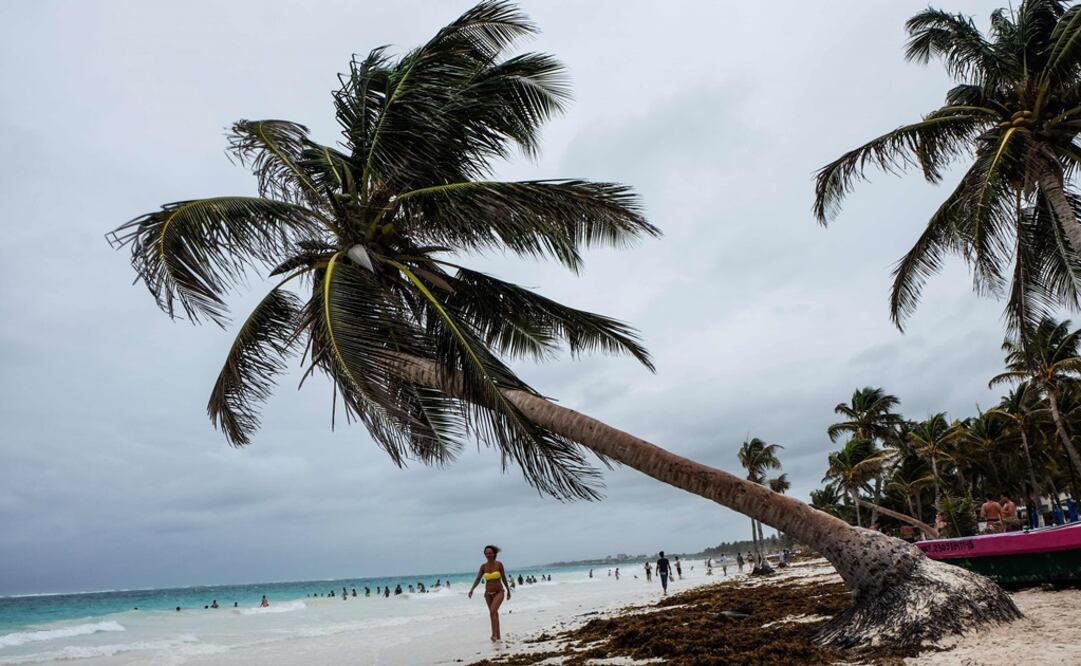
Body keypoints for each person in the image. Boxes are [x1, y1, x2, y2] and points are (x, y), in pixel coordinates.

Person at [468, 544, 512, 642]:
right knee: (494, 613)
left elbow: (504, 578)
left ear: (494, 554)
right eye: (486, 553)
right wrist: (472, 589)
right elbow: (478, 579)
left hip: (499, 592)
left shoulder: (499, 564)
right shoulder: (483, 566)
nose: (488, 555)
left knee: (492, 611)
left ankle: (493, 634)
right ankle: (498, 637)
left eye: (490, 553)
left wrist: (508, 591)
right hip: (488, 594)